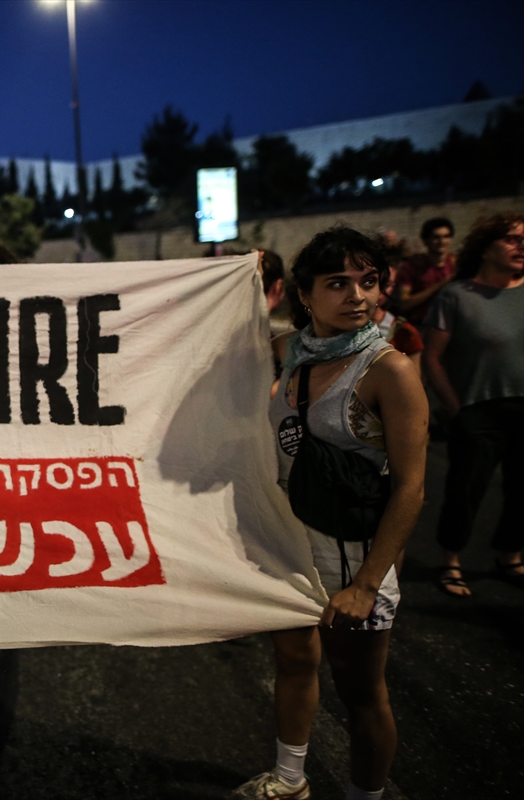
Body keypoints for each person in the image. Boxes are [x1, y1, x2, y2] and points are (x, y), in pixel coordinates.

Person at [234, 227, 428, 800]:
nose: (358, 296)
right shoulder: (288, 353)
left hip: (352, 556)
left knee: (362, 691)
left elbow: (411, 489)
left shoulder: (388, 371)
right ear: (305, 293)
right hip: (289, 544)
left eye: (368, 281)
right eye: (338, 283)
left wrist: (367, 585)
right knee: (294, 661)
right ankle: (290, 779)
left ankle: (367, 795)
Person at [422, 212, 524, 597]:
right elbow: (432, 357)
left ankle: (510, 553)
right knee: (466, 490)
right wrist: (456, 410)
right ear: (485, 248)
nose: (521, 247)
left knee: (522, 489)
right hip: (478, 410)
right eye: (513, 239)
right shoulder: (457, 295)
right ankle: (451, 558)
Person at [393, 217, 456, 326]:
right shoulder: (411, 266)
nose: (442, 241)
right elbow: (404, 303)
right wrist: (438, 286)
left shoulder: (456, 264)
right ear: (426, 240)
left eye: (446, 236)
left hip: (453, 322)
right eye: (436, 237)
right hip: (422, 323)